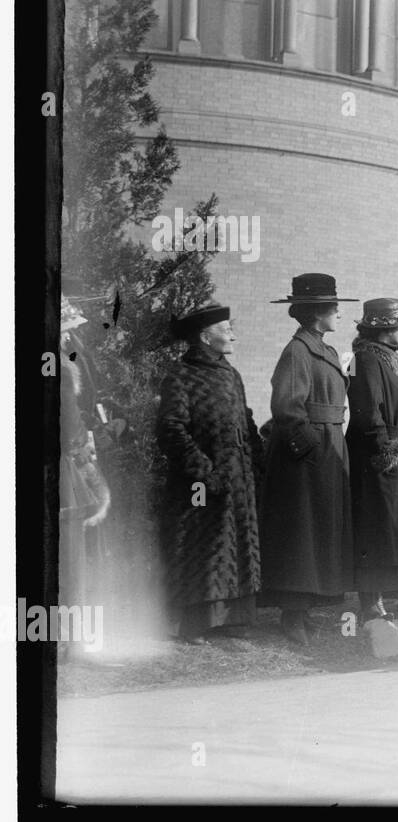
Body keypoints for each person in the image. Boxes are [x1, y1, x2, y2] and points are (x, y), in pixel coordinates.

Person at [260, 274, 357, 645]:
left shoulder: (324, 349)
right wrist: (313, 450)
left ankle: (307, 608)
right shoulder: (298, 352)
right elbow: (286, 408)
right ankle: (292, 614)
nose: (338, 312)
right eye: (333, 306)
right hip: (307, 461)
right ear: (317, 313)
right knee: (302, 536)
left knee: (320, 534)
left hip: (329, 450)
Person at [156, 305, 262, 644]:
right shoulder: (181, 374)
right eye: (226, 328)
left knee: (235, 544)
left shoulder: (231, 374)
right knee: (200, 542)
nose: (233, 334)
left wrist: (256, 459)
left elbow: (245, 419)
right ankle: (197, 623)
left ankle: (233, 620)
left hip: (237, 479)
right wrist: (204, 472)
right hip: (199, 482)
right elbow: (170, 428)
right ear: (205, 336)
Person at [346, 298, 398, 624]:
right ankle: (371, 602)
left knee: (394, 530)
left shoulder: (390, 360)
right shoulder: (366, 359)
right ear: (384, 329)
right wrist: (389, 454)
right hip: (376, 457)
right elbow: (368, 411)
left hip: (395, 453)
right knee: (377, 529)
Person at [59, 296, 111, 651]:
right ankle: (68, 638)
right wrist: (86, 452)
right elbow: (68, 424)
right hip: (64, 466)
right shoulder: (61, 368)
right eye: (70, 330)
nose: (72, 338)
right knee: (69, 551)